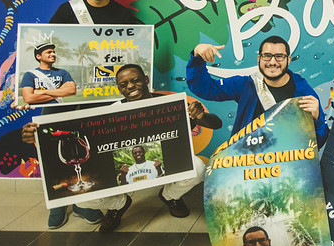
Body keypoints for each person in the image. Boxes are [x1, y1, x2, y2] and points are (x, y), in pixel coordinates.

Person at [187, 35, 327, 246]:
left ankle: (295, 244)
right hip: (246, 162)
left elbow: (318, 139)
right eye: (267, 56)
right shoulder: (247, 84)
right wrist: (197, 56)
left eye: (279, 56)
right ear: (259, 58)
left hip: (286, 165)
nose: (273, 61)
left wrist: (316, 117)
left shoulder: (302, 89)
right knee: (230, 201)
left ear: (288, 59)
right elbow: (204, 88)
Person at [22, 64, 220, 228]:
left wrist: (200, 116)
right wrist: (38, 138)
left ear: (146, 80)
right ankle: (119, 205)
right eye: (124, 84)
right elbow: (74, 140)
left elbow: (216, 124)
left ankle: (170, 196)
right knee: (80, 198)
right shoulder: (111, 113)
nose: (130, 86)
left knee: (199, 168)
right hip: (122, 170)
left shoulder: (170, 104)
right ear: (119, 89)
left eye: (135, 80)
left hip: (166, 164)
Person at [23, 0, 141, 230]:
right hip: (63, 90)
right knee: (53, 142)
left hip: (100, 93)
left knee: (89, 147)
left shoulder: (122, 15)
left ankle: (83, 201)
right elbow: (51, 47)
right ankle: (59, 202)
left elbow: (134, 51)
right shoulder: (68, 10)